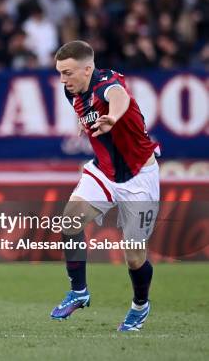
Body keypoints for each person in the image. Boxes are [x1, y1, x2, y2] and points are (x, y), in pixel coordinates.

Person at [51, 41, 160, 331]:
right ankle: (79, 291)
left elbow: (119, 96)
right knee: (69, 221)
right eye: (60, 73)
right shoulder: (72, 91)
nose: (63, 80)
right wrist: (80, 120)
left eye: (68, 72)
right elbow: (82, 108)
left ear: (88, 69)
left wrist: (113, 117)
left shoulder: (106, 85)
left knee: (134, 255)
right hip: (104, 171)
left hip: (139, 177)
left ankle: (140, 305)